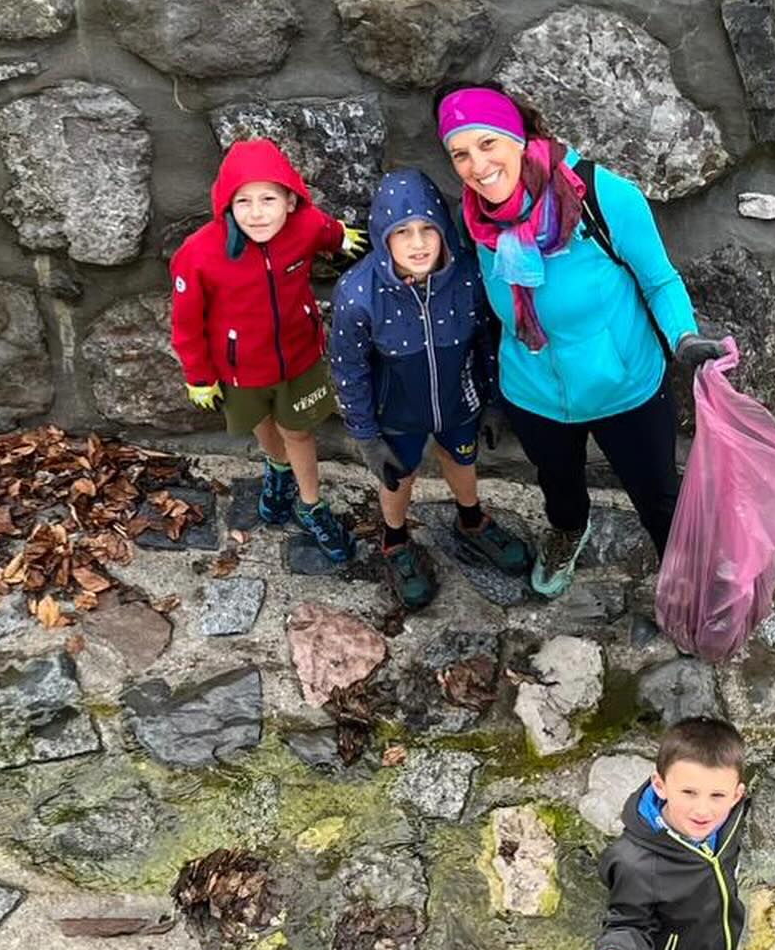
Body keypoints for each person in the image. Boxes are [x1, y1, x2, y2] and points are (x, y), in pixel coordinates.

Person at [436, 85, 724, 598]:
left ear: (517, 137)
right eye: (460, 154)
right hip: (533, 391)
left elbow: (660, 280)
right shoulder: (473, 218)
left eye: (487, 143)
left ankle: (687, 582)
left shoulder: (601, 197)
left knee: (658, 497)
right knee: (558, 483)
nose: (477, 166)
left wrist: (683, 336)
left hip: (624, 386)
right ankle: (569, 530)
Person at [330, 168, 530, 609]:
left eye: (428, 229)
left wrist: (494, 402)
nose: (418, 243)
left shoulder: (468, 279)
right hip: (397, 412)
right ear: (383, 236)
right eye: (402, 232)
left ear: (444, 231)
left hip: (460, 401)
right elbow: (349, 369)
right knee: (398, 477)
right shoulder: (359, 295)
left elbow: (488, 340)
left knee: (462, 459)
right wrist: (366, 436)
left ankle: (471, 519)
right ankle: (395, 540)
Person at [170, 138, 361, 565]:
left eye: (268, 199)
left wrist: (342, 238)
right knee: (261, 421)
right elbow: (186, 322)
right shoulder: (197, 254)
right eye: (243, 201)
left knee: (299, 432)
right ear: (226, 205)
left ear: (290, 201)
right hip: (238, 368)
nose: (256, 213)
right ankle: (277, 467)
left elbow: (325, 229)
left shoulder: (305, 225)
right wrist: (198, 375)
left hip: (299, 359)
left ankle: (310, 504)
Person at [588, 718, 749, 950]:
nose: (703, 810)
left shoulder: (730, 820)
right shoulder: (636, 863)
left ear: (737, 794)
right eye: (688, 792)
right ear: (660, 785)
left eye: (717, 796)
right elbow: (627, 923)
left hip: (699, 936)